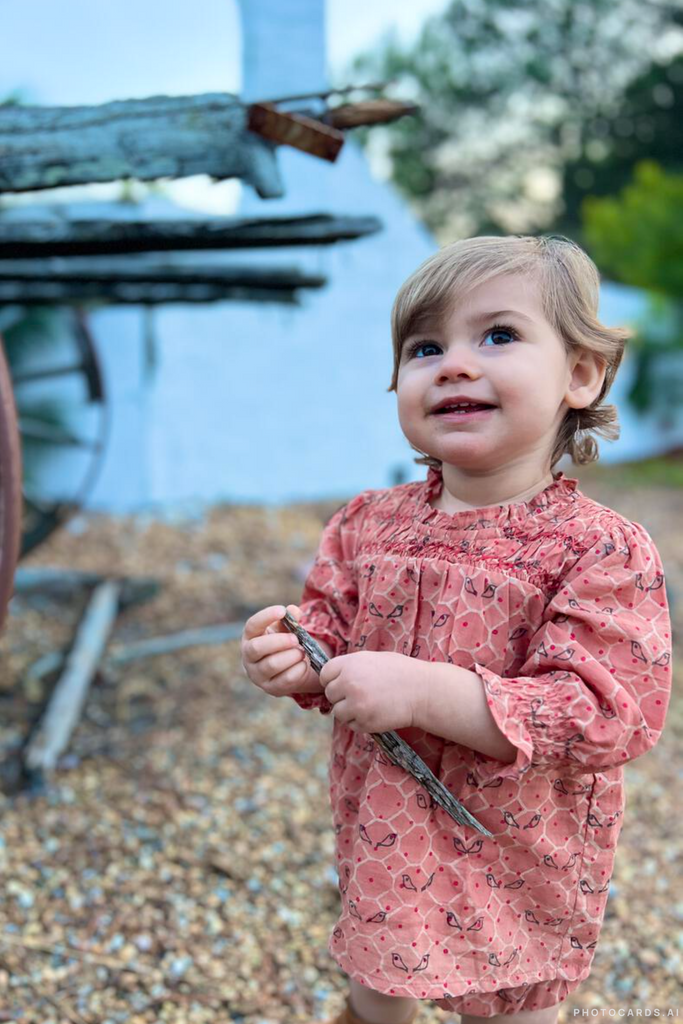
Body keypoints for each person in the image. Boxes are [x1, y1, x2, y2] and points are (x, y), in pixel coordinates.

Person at [240, 235, 672, 1024]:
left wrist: (425, 691)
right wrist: (294, 656)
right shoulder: (367, 524)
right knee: (377, 980)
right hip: (388, 827)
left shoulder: (595, 547)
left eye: (497, 336)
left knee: (504, 999)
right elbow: (329, 630)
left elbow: (609, 713)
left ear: (579, 373)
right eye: (424, 346)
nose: (454, 363)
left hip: (516, 841)